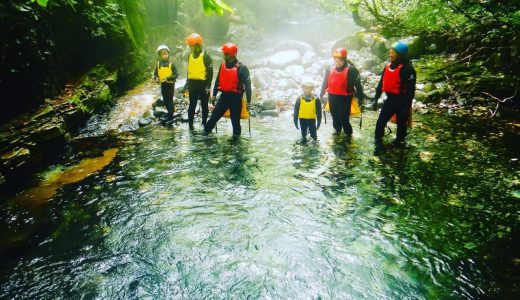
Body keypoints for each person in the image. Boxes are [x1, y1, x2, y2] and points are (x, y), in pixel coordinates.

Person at [372, 41, 416, 147]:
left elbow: (410, 91)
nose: (390, 55)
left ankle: (399, 148)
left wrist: (407, 107)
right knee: (380, 124)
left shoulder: (408, 69)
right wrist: (376, 99)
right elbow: (380, 84)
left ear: (400, 55)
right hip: (390, 100)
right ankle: (378, 145)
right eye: (390, 52)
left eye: (393, 53)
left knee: (401, 129)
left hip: (403, 102)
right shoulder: (387, 67)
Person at [204, 43, 252, 137]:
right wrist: (214, 95)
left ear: (230, 55)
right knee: (213, 119)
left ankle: (236, 143)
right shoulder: (223, 65)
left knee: (235, 123)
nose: (223, 55)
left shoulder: (242, 68)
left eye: (224, 53)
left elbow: (248, 86)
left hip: (236, 99)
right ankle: (206, 136)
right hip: (224, 97)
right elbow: (218, 80)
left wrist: (248, 101)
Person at [320, 47, 364, 136]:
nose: (338, 63)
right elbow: (325, 82)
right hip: (332, 95)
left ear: (344, 59)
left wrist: (360, 98)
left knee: (344, 119)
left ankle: (349, 137)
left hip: (345, 97)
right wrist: (321, 94)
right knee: (335, 117)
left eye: (340, 61)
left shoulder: (351, 70)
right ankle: (337, 133)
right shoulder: (329, 68)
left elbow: (358, 85)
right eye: (336, 61)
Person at [182, 33, 213, 130]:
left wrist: (208, 86)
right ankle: (190, 125)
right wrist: (186, 84)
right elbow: (190, 70)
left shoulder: (206, 57)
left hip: (203, 84)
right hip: (192, 84)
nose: (189, 47)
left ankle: (204, 123)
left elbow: (210, 72)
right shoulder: (189, 56)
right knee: (192, 105)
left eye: (190, 45)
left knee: (204, 105)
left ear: (196, 45)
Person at [153, 45, 178, 122]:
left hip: (170, 85)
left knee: (170, 100)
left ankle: (170, 115)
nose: (165, 55)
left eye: (166, 53)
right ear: (160, 55)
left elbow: (176, 75)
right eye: (163, 54)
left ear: (168, 54)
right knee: (165, 99)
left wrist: (168, 78)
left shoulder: (171, 64)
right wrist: (156, 78)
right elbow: (155, 74)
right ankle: (169, 112)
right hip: (163, 85)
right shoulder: (158, 64)